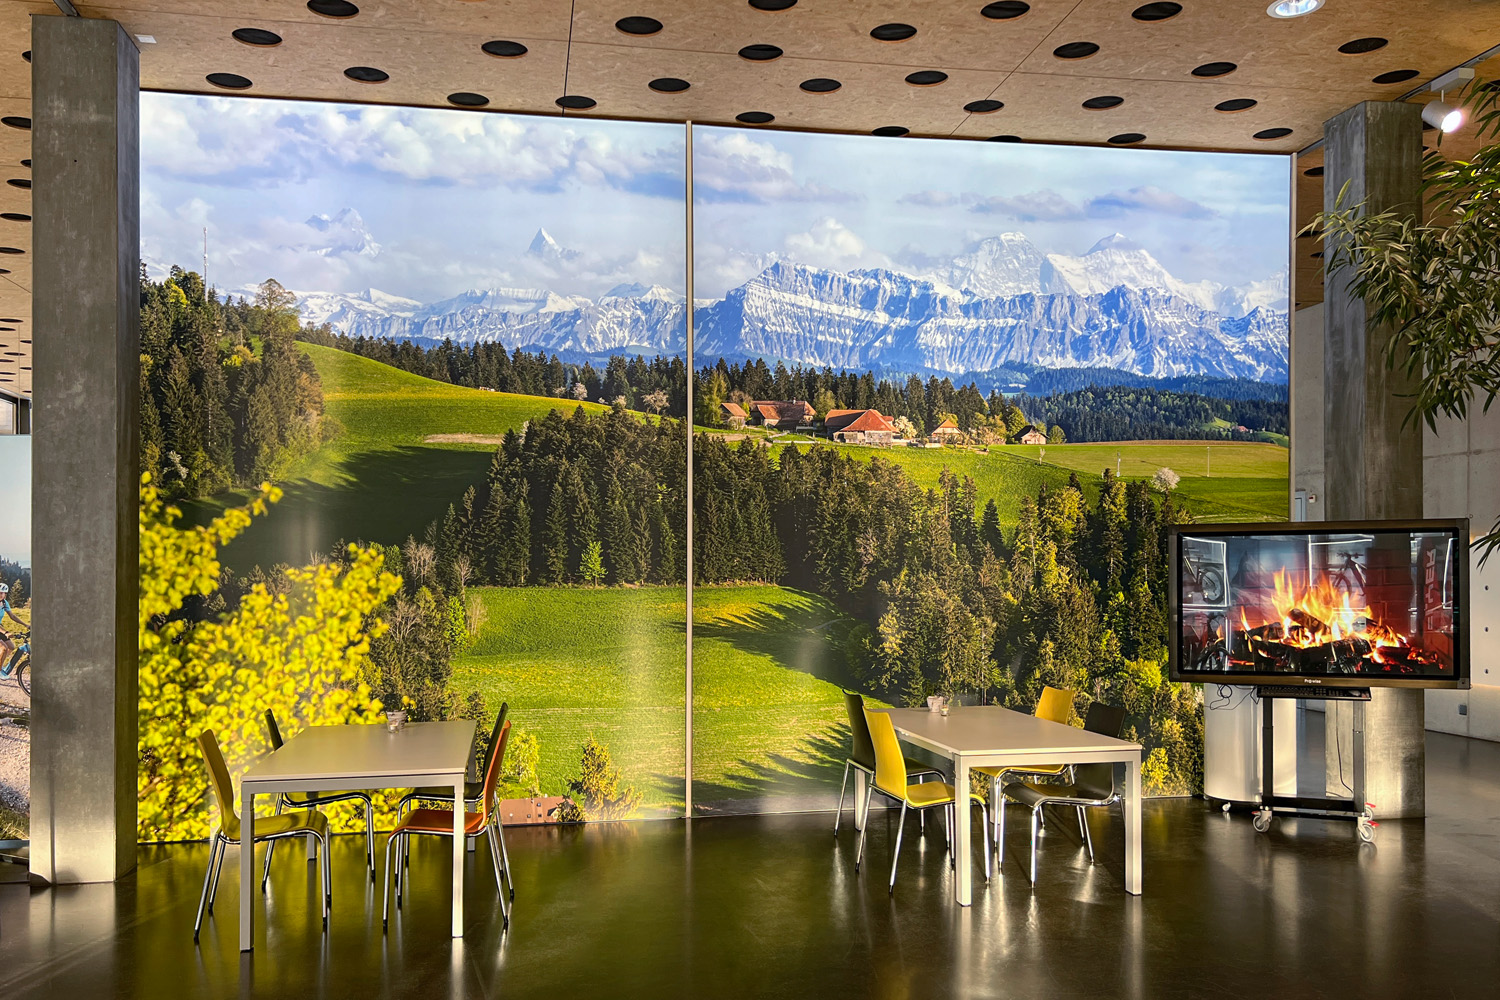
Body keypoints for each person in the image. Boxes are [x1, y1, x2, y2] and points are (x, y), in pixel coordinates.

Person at [0, 582, 23, 677]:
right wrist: (6, 632)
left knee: (11, 647)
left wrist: (26, 625)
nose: (1, 594)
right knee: (4, 648)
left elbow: (12, 616)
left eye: (3, 593)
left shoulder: (4, 603)